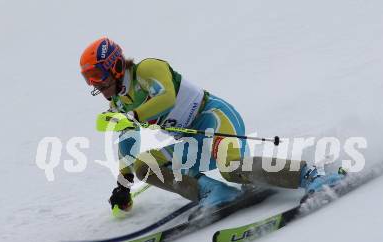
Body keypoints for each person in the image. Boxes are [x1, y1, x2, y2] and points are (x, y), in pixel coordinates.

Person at [79, 37, 345, 217]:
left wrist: (134, 114)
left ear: (114, 66)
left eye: (96, 76)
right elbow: (127, 141)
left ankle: (314, 175)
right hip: (191, 140)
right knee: (144, 165)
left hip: (213, 118)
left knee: (231, 167)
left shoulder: (148, 69)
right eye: (88, 79)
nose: (95, 85)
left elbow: (167, 97)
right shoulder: (118, 103)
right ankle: (214, 192)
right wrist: (123, 185)